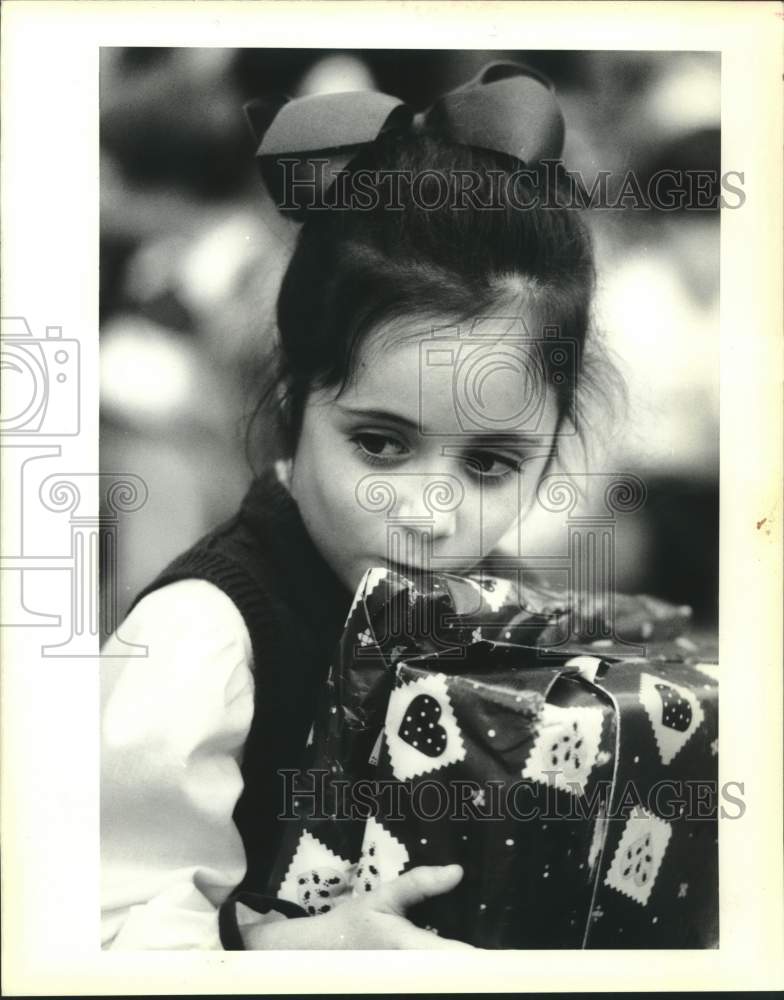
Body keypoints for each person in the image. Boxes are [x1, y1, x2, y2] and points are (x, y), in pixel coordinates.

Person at [100, 63, 602, 950]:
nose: (430, 514)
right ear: (296, 404)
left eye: (491, 463)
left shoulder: (512, 612)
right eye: (380, 443)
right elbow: (100, 934)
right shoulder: (203, 639)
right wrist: (290, 950)